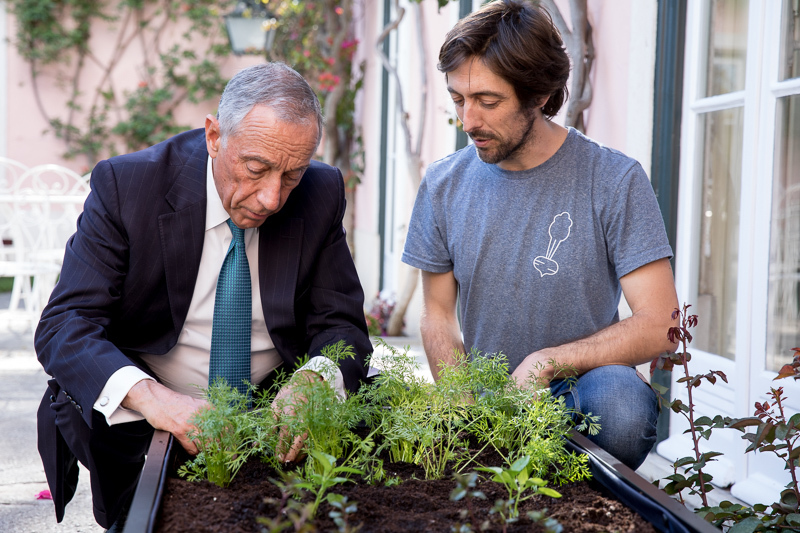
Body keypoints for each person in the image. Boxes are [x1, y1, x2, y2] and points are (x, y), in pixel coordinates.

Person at [35, 62, 372, 529]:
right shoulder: (129, 187)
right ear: (214, 137)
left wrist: (313, 382)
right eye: (256, 169)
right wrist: (155, 399)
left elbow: (342, 327)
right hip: (146, 421)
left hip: (271, 424)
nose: (272, 198)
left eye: (291, 175)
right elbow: (65, 325)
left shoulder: (320, 193)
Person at [401, 0, 679, 470]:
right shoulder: (443, 183)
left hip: (582, 392)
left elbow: (660, 323)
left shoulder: (613, 178)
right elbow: (437, 313)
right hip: (490, 397)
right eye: (458, 100)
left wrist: (550, 361)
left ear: (539, 93)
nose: (468, 121)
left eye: (488, 102)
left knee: (623, 409)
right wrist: (463, 405)